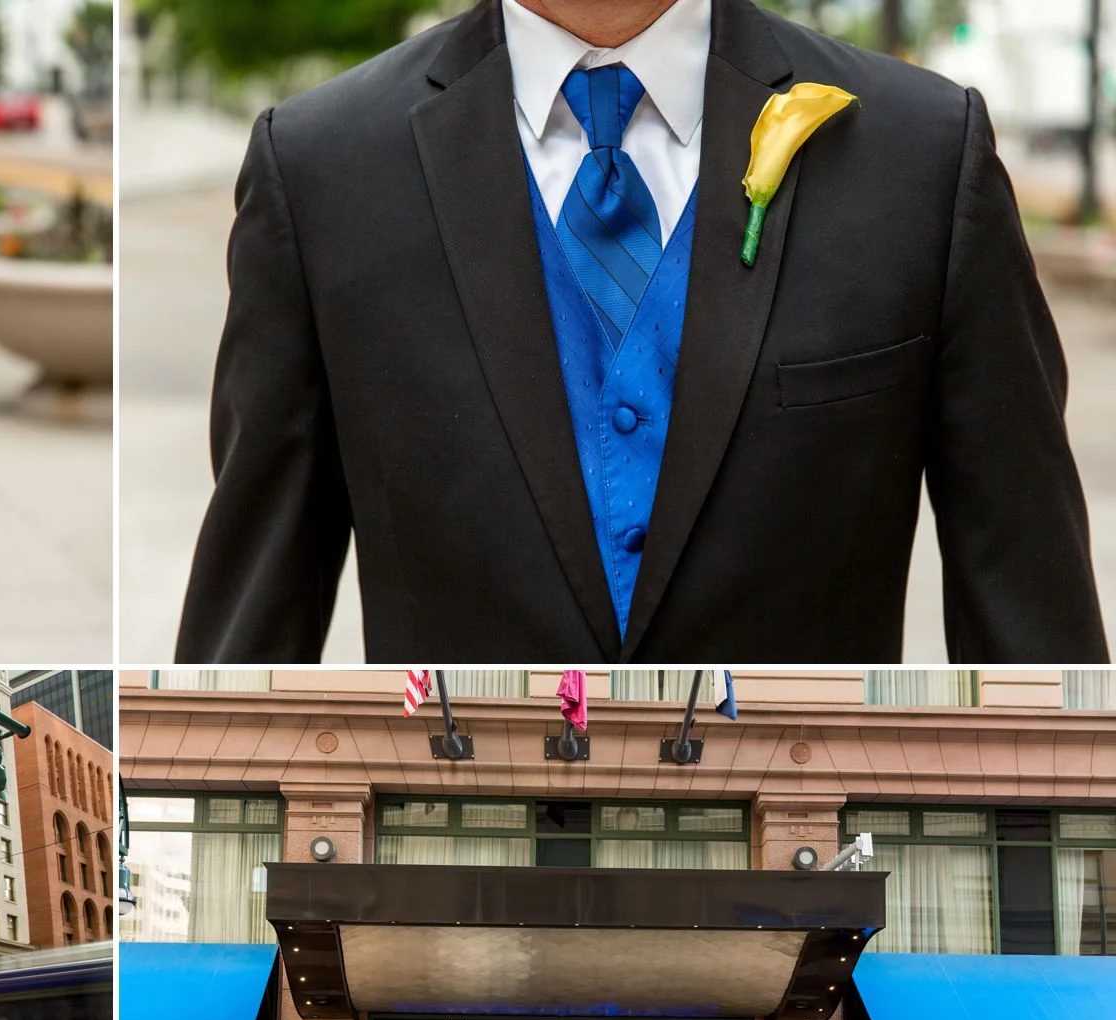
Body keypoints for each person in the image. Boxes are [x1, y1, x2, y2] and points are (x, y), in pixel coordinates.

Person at [174, 0, 1105, 664]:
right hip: (453, 881)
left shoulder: (925, 153)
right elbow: (247, 630)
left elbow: (1036, 622)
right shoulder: (318, 170)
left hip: (815, 882)